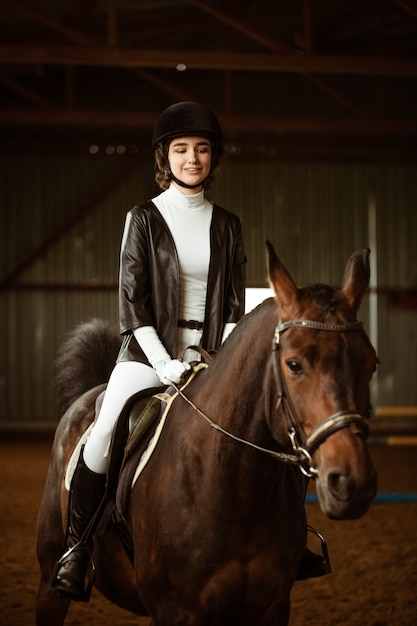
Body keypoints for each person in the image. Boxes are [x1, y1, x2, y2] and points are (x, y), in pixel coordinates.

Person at [50, 101, 329, 603]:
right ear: (165, 157)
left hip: (209, 356)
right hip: (145, 357)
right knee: (104, 430)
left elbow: (230, 305)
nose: (192, 158)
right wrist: (165, 363)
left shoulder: (227, 224)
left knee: (267, 427)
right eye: (181, 149)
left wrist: (213, 358)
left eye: (201, 149)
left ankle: (293, 541)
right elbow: (133, 309)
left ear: (213, 157)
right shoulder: (143, 219)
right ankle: (77, 548)